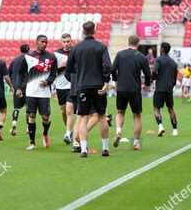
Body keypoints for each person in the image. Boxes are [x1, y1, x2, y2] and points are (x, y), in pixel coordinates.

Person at [65, 21, 112, 158]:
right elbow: (108, 66)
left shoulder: (76, 48)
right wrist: (105, 80)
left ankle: (83, 150)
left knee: (83, 117)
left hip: (83, 86)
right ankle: (105, 148)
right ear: (94, 31)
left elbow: (68, 70)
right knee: (102, 116)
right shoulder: (101, 47)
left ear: (83, 31)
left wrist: (79, 76)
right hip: (98, 86)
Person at [15, 35, 57, 150]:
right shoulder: (28, 57)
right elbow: (20, 73)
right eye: (42, 42)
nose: (45, 44)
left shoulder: (51, 57)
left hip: (44, 93)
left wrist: (48, 81)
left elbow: (54, 74)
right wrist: (18, 87)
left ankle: (45, 133)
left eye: (46, 42)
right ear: (36, 42)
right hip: (30, 92)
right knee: (31, 115)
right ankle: (32, 142)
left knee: (45, 117)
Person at [111, 35, 151, 150]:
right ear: (138, 44)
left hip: (122, 88)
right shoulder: (142, 57)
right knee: (137, 116)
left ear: (128, 42)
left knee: (120, 112)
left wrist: (115, 80)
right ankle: (136, 143)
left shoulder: (120, 54)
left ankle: (118, 131)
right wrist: (147, 85)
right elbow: (148, 74)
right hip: (135, 89)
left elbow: (113, 69)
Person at [152, 42, 179, 137]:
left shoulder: (158, 60)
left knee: (156, 109)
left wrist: (152, 79)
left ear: (162, 49)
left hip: (159, 88)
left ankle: (160, 126)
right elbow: (175, 80)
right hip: (169, 89)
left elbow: (154, 72)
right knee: (170, 109)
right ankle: (175, 130)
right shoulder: (173, 63)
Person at [54, 33, 73, 144]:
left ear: (71, 41)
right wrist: (60, 66)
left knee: (69, 110)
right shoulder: (56, 54)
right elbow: (53, 71)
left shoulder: (75, 51)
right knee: (63, 111)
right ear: (61, 42)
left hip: (72, 85)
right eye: (64, 42)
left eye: (68, 41)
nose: (66, 44)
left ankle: (67, 133)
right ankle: (69, 130)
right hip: (60, 86)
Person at [8, 44, 30, 135]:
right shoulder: (30, 60)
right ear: (28, 50)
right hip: (28, 87)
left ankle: (14, 123)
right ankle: (28, 127)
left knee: (16, 108)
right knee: (28, 108)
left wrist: (12, 85)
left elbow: (9, 73)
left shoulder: (14, 60)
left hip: (16, 87)